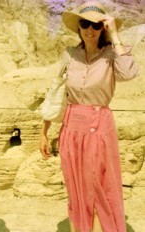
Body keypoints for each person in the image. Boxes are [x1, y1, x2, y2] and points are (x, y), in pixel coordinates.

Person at [39, 1, 138, 232]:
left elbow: (129, 73)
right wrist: (43, 132)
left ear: (102, 28)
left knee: (98, 188)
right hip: (71, 129)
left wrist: (114, 33)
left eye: (96, 25)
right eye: (85, 23)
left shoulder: (111, 54)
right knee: (76, 189)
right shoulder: (70, 54)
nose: (90, 30)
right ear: (79, 27)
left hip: (99, 128)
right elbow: (55, 92)